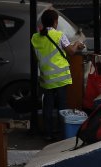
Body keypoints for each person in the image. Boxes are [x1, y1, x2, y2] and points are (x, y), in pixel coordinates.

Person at [31, 8, 84, 142]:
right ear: (55, 22)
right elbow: (71, 51)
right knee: (62, 106)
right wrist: (77, 44)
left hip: (46, 78)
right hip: (60, 77)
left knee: (47, 107)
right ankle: (63, 133)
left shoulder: (35, 37)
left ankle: (48, 133)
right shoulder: (59, 35)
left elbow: (48, 48)